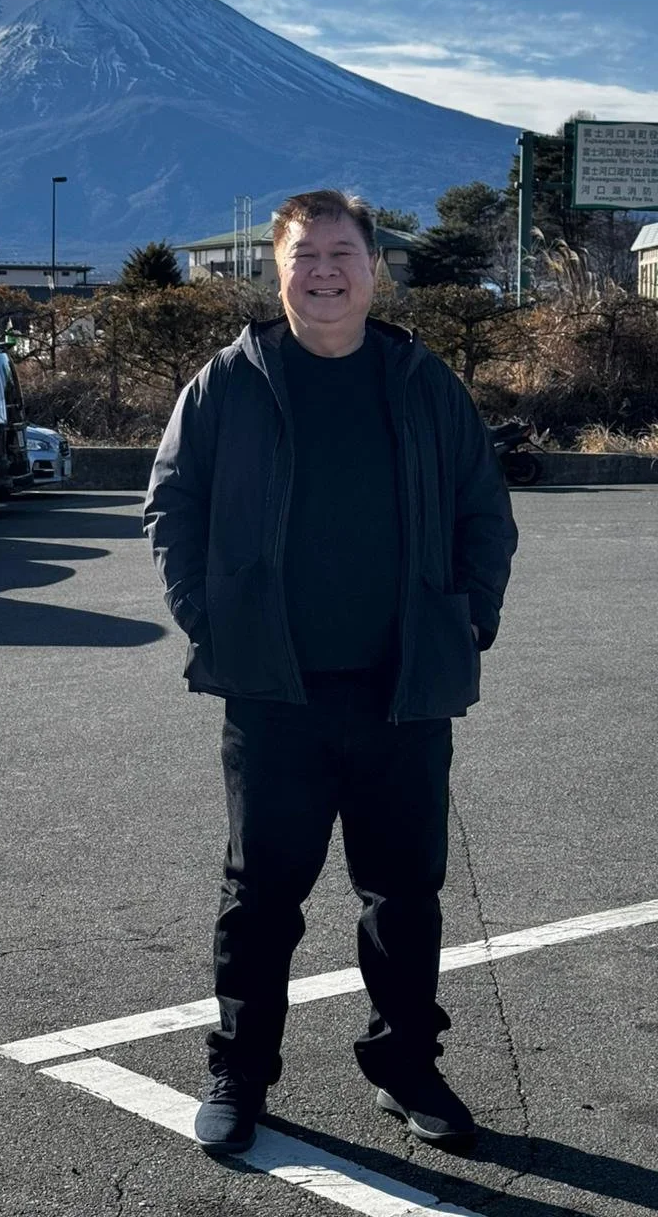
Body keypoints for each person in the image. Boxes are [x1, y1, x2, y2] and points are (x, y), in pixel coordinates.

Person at [143, 189, 517, 1156]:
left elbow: (485, 506)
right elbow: (172, 505)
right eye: (305, 255)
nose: (324, 272)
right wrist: (208, 617)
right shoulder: (231, 380)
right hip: (275, 694)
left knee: (404, 894)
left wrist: (468, 619)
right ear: (277, 270)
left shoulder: (420, 380)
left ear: (373, 267)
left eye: (342, 253)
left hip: (400, 691)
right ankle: (240, 1067)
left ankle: (406, 1067)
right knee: (262, 893)